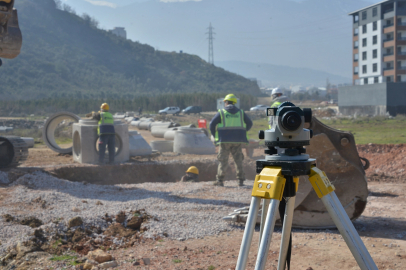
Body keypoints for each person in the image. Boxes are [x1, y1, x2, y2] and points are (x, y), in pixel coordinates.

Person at [210, 94, 253, 187]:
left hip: (224, 141)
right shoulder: (241, 112)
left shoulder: (221, 112)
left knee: (223, 160)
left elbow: (212, 124)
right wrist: (243, 131)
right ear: (234, 103)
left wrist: (215, 136)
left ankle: (220, 181)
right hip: (237, 140)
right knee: (238, 160)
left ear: (226, 102)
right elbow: (250, 123)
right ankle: (240, 181)